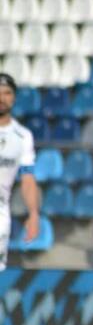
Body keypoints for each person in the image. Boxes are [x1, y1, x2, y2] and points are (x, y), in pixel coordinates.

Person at [0, 73, 40, 266]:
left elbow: (28, 179)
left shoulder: (23, 136)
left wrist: (33, 213)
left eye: (7, 93)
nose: (1, 98)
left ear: (14, 98)